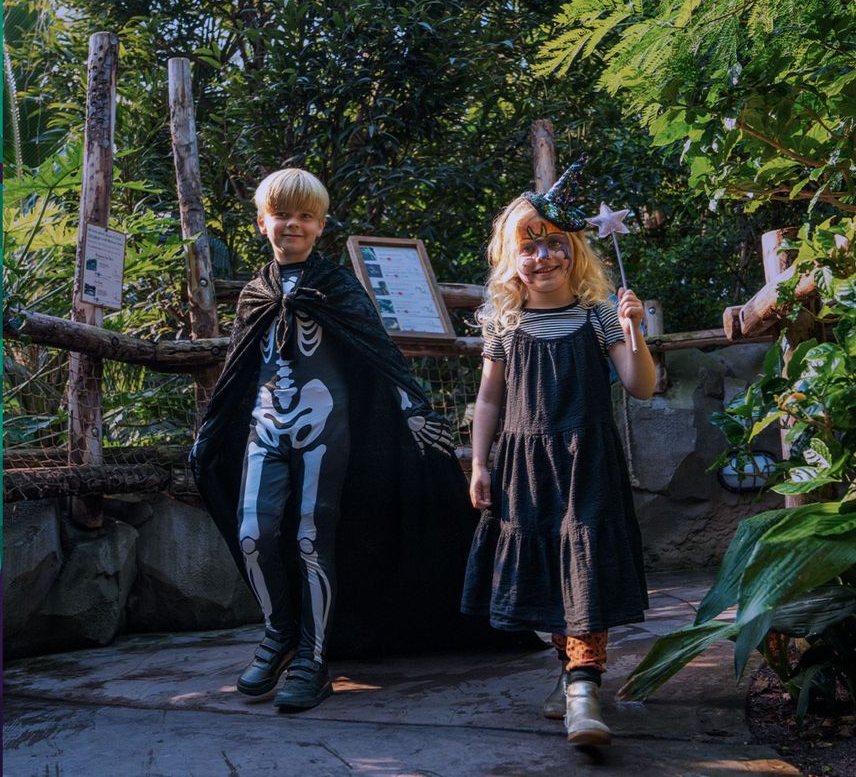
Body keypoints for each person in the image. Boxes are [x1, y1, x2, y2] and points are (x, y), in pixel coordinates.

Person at [191, 168, 521, 713]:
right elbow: (237, 372)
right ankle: (279, 633)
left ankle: (313, 659)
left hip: (325, 423)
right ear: (261, 223)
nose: (292, 224)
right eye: (282, 215)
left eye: (304, 217)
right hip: (265, 423)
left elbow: (376, 355)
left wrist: (413, 408)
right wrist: (210, 431)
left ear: (320, 227)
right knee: (253, 532)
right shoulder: (254, 293)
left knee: (309, 534)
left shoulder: (337, 287)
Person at [461, 169, 656, 747]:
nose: (543, 257)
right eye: (529, 246)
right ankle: (571, 675)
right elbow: (490, 398)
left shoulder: (599, 315)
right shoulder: (505, 323)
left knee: (585, 565)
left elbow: (640, 386)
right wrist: (479, 464)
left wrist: (634, 331)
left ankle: (582, 689)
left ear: (575, 253)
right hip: (525, 466)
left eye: (555, 245)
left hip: (586, 460)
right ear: (510, 256)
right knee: (546, 567)